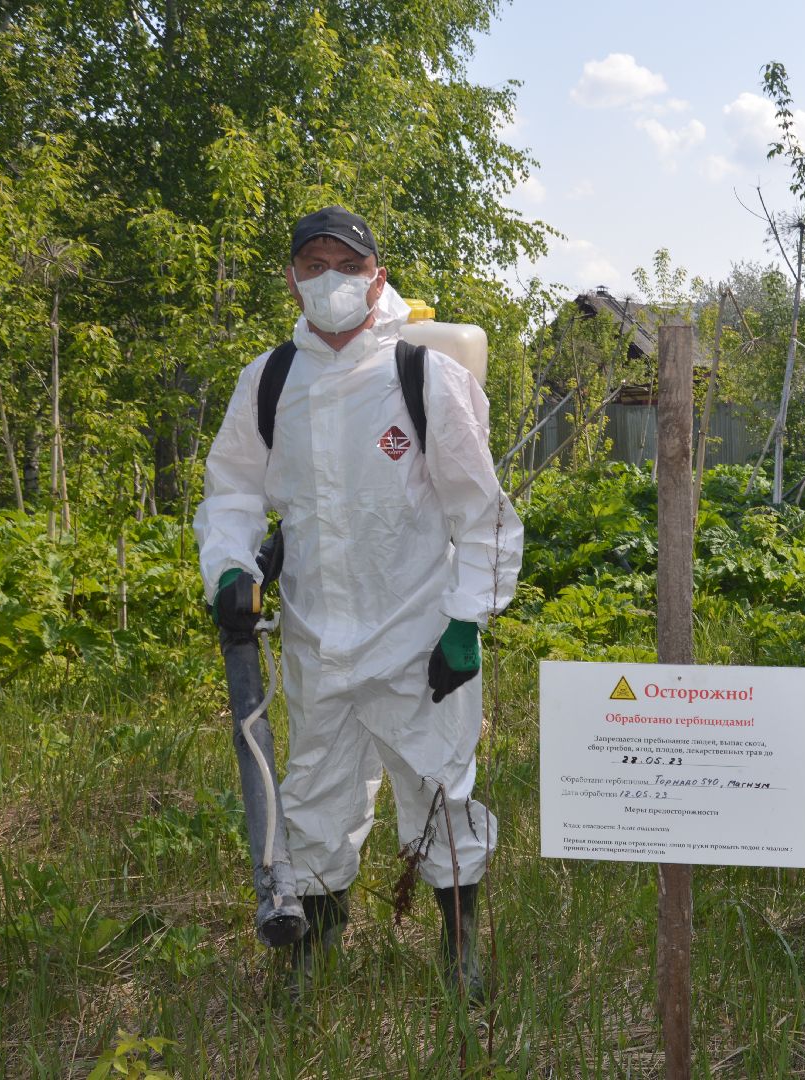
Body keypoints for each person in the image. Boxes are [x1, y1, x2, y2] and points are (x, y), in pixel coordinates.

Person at [194, 206, 522, 1002]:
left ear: (377, 277)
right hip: (316, 636)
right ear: (292, 280)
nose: (330, 279)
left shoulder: (422, 374)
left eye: (347, 265)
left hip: (418, 633)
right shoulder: (271, 380)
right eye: (314, 266)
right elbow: (232, 490)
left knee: (440, 790)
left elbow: (481, 511)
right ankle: (312, 952)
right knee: (314, 795)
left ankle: (460, 950)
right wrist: (231, 567)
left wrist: (466, 620)